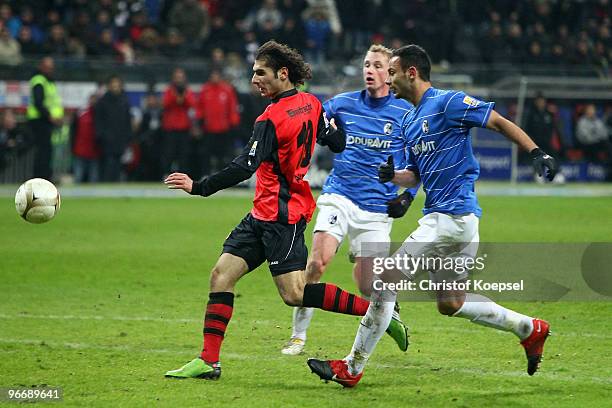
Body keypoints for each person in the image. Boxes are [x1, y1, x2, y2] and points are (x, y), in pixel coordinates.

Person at [308, 44, 558, 387]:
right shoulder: (409, 120)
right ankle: (529, 328)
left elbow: (497, 122)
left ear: (412, 72)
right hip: (460, 223)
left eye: (392, 72)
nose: (389, 80)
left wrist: (536, 151)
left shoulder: (448, 102)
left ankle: (351, 368)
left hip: (448, 220)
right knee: (451, 302)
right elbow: (415, 176)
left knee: (384, 282)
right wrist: (392, 177)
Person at [163, 40, 391, 381]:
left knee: (295, 294)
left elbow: (244, 167)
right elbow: (338, 141)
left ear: (282, 74)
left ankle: (379, 312)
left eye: (261, 73)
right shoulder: (312, 103)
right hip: (263, 213)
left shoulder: (269, 118)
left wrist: (199, 187)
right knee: (220, 276)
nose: (254, 79)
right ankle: (209, 361)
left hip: (282, 217)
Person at [281, 44, 414, 356]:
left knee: (369, 285)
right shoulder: (342, 104)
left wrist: (408, 197)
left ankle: (389, 317)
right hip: (339, 196)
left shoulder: (405, 113)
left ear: (390, 72)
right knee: (317, 262)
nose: (370, 70)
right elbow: (309, 119)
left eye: (378, 66)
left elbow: (418, 162)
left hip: (377, 209)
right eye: (367, 64)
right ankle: (298, 336)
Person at [196, 68, 240, 176]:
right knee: (206, 154)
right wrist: (200, 122)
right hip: (208, 129)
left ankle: (222, 177)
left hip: (224, 129)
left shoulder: (227, 90)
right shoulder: (205, 90)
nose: (215, 78)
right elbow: (199, 108)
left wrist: (233, 123)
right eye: (213, 75)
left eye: (216, 75)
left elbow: (232, 108)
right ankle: (205, 175)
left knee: (223, 155)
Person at [27, 56, 64, 181]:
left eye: (51, 67)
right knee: (43, 150)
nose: (50, 69)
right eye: (47, 67)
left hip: (45, 120)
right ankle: (41, 178)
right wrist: (50, 117)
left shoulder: (49, 81)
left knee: (46, 150)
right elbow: (38, 102)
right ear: (41, 67)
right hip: (39, 120)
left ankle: (44, 177)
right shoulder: (39, 80)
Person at [94, 75, 132, 182]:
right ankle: (106, 184)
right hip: (107, 140)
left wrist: (129, 136)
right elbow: (98, 121)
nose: (115, 87)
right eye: (113, 84)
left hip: (121, 139)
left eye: (117, 85)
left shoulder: (124, 101)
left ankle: (115, 184)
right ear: (109, 86)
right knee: (108, 163)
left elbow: (127, 120)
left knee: (118, 164)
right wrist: (101, 136)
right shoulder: (102, 102)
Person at [161, 67, 196, 177]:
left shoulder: (187, 91)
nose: (179, 80)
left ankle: (181, 176)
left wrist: (183, 97)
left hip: (184, 128)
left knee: (183, 154)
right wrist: (176, 97)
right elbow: (165, 104)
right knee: (169, 153)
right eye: (177, 77)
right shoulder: (169, 90)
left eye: (180, 77)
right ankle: (166, 174)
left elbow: (192, 104)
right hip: (170, 128)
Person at [71, 94, 100, 183]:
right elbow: (74, 132)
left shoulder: (100, 115)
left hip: (94, 150)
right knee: (79, 175)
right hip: (82, 150)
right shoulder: (81, 114)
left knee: (93, 177)